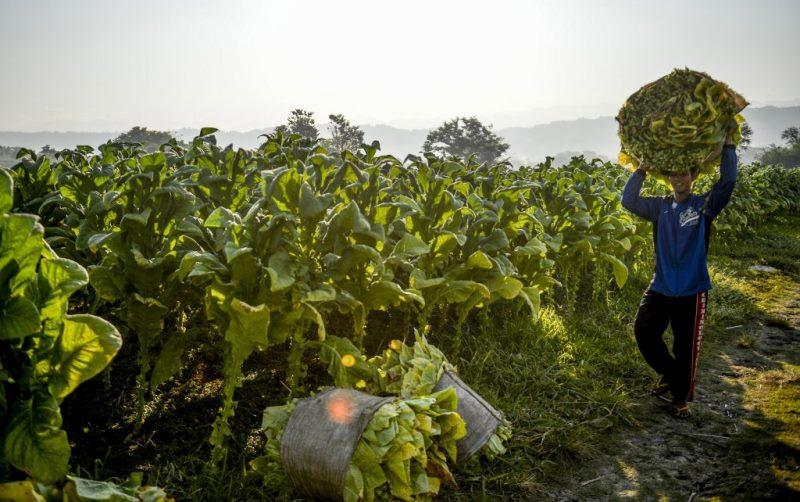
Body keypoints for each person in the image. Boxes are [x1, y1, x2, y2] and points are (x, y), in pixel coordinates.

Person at [621, 124, 738, 418]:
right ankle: (674, 376)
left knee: (686, 347)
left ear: (693, 175)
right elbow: (629, 201)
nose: (678, 178)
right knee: (644, 332)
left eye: (683, 173)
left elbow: (728, 181)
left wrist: (728, 146)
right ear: (668, 177)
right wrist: (642, 169)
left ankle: (681, 399)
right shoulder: (659, 207)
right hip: (660, 286)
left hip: (691, 289)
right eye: (673, 174)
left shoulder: (704, 206)